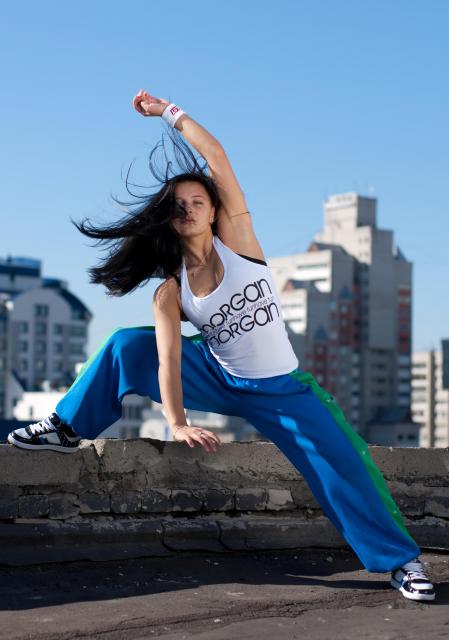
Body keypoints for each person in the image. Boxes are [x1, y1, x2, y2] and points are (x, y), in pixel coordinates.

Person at [7, 89, 435, 602]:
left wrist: (168, 113)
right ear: (169, 219)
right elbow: (167, 360)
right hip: (217, 375)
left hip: (282, 390)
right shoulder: (171, 291)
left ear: (214, 211)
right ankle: (66, 426)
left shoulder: (240, 243)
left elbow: (216, 156)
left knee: (343, 464)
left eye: (198, 202)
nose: (188, 209)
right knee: (126, 345)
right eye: (179, 206)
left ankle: (402, 562)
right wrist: (177, 422)